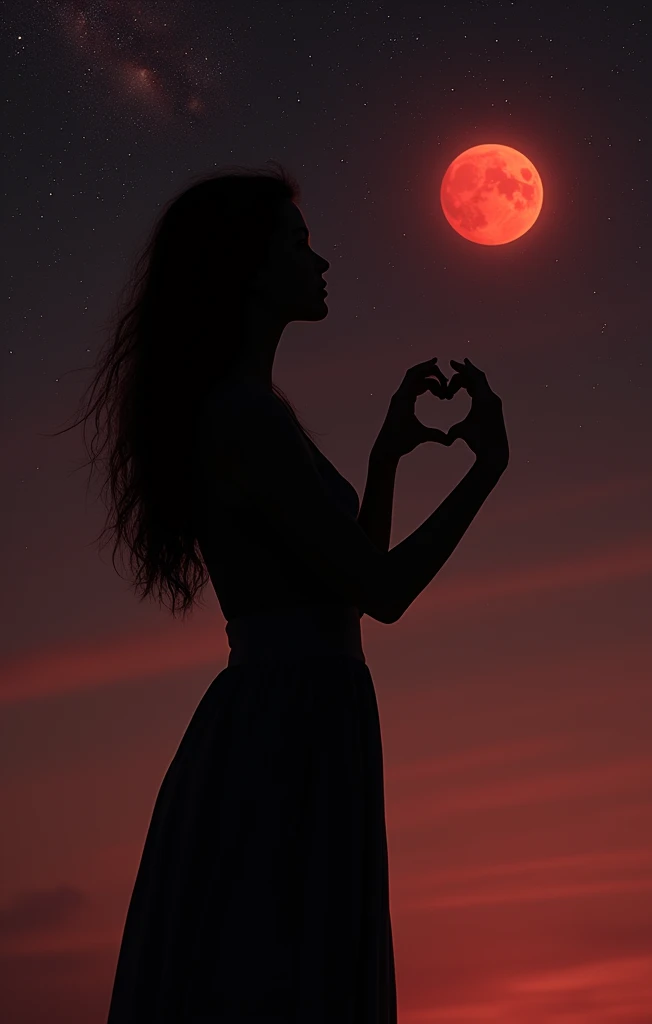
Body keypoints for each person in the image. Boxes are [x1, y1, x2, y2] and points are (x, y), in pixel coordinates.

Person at [48, 163, 509, 1022]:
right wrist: (487, 469)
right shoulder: (246, 419)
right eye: (299, 244)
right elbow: (384, 591)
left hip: (297, 712)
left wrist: (384, 459)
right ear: (250, 267)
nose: (322, 260)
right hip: (287, 724)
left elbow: (340, 579)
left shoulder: (253, 410)